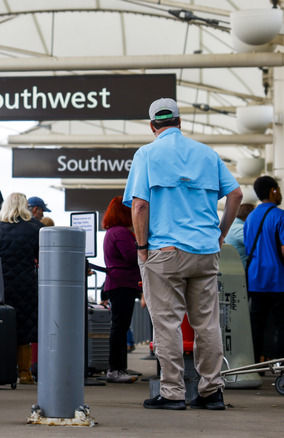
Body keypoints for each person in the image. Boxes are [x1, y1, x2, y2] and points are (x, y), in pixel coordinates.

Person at [124, 97, 242, 410]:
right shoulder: (207, 154)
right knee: (207, 324)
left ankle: (173, 393)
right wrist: (220, 233)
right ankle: (211, 392)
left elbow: (139, 205)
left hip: (166, 251)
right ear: (179, 122)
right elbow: (236, 195)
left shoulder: (147, 153)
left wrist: (141, 248)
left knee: (167, 324)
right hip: (205, 250)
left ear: (153, 126)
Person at [0, 193, 40, 384]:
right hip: (27, 285)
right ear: (25, 207)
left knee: (0, 325)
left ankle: (1, 370)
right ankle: (24, 373)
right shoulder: (35, 229)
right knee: (25, 328)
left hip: (0, 285)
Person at [243, 176, 284, 363]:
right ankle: (280, 365)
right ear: (272, 191)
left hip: (254, 278)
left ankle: (255, 363)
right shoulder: (280, 216)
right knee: (281, 324)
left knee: (256, 324)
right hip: (277, 278)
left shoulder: (250, 217)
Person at [101, 196, 141, 384]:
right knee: (119, 327)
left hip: (118, 283)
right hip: (123, 283)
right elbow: (132, 257)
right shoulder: (121, 233)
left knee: (121, 326)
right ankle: (115, 368)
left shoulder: (112, 232)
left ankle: (119, 367)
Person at [225, 203, 254, 268]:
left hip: (233, 267)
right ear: (250, 215)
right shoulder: (240, 229)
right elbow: (256, 245)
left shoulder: (231, 226)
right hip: (243, 269)